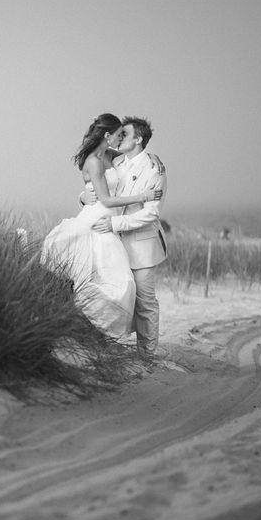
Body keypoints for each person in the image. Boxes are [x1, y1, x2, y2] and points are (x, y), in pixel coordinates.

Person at [41, 114, 161, 339]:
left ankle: (124, 344)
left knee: (129, 290)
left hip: (119, 229)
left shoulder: (121, 158)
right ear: (108, 135)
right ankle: (92, 333)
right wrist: (141, 196)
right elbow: (103, 196)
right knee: (106, 282)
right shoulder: (100, 160)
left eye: (124, 134)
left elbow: (134, 161)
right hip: (100, 222)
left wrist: (149, 157)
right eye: (119, 134)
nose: (121, 138)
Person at [87, 116, 167, 362]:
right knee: (108, 297)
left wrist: (115, 224)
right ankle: (105, 351)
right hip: (111, 244)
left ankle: (147, 356)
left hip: (141, 246)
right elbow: (99, 189)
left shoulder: (155, 169)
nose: (119, 138)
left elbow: (151, 213)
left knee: (144, 302)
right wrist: (83, 198)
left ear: (139, 139)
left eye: (125, 134)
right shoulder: (115, 161)